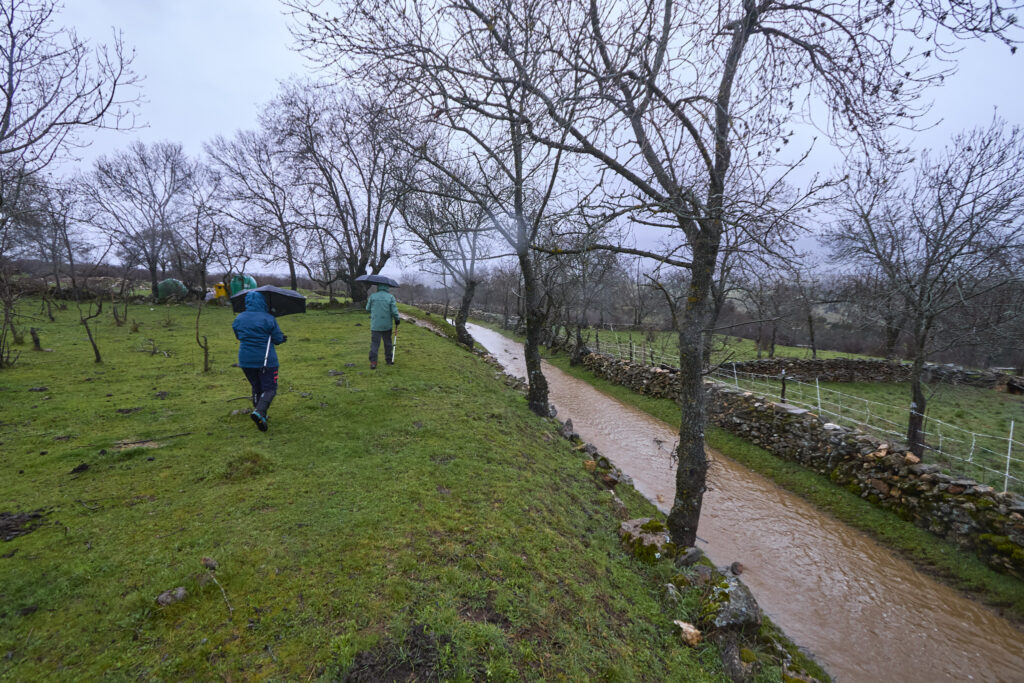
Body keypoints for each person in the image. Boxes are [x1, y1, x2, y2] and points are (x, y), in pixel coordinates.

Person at [232, 290, 286, 431]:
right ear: (262, 302)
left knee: (256, 387)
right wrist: (282, 338)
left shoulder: (239, 318)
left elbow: (238, 336)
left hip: (245, 360)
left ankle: (260, 415)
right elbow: (277, 338)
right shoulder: (268, 318)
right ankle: (259, 412)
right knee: (270, 389)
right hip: (266, 359)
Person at [365, 283, 400, 369]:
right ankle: (388, 360)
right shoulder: (390, 297)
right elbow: (394, 311)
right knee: (387, 343)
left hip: (375, 324)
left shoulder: (373, 296)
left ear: (378, 287)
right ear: (387, 287)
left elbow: (367, 309)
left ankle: (373, 362)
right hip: (386, 325)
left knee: (375, 344)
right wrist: (397, 319)